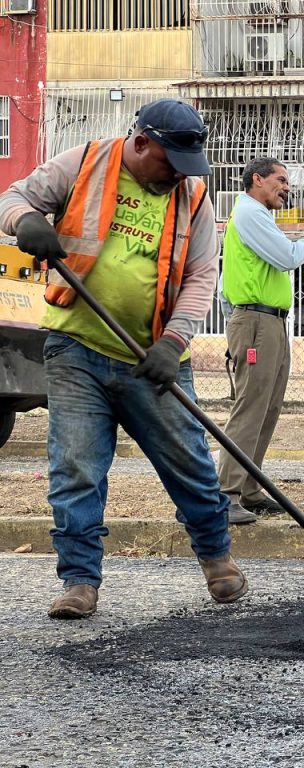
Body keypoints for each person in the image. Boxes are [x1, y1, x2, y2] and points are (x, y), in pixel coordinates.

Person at [0, 98, 248, 619]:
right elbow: (13, 197)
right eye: (169, 163)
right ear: (141, 143)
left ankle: (217, 561)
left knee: (190, 463)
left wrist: (174, 342)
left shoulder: (194, 196)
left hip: (152, 357)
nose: (178, 175)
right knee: (75, 467)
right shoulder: (85, 163)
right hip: (76, 348)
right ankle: (79, 582)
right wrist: (26, 221)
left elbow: (203, 275)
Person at [217, 158, 304, 525]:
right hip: (256, 322)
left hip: (269, 322)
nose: (287, 186)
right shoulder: (249, 213)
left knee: (268, 407)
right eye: (280, 179)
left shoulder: (257, 216)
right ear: (257, 180)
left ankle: (249, 488)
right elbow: (287, 257)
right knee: (250, 407)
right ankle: (226, 494)